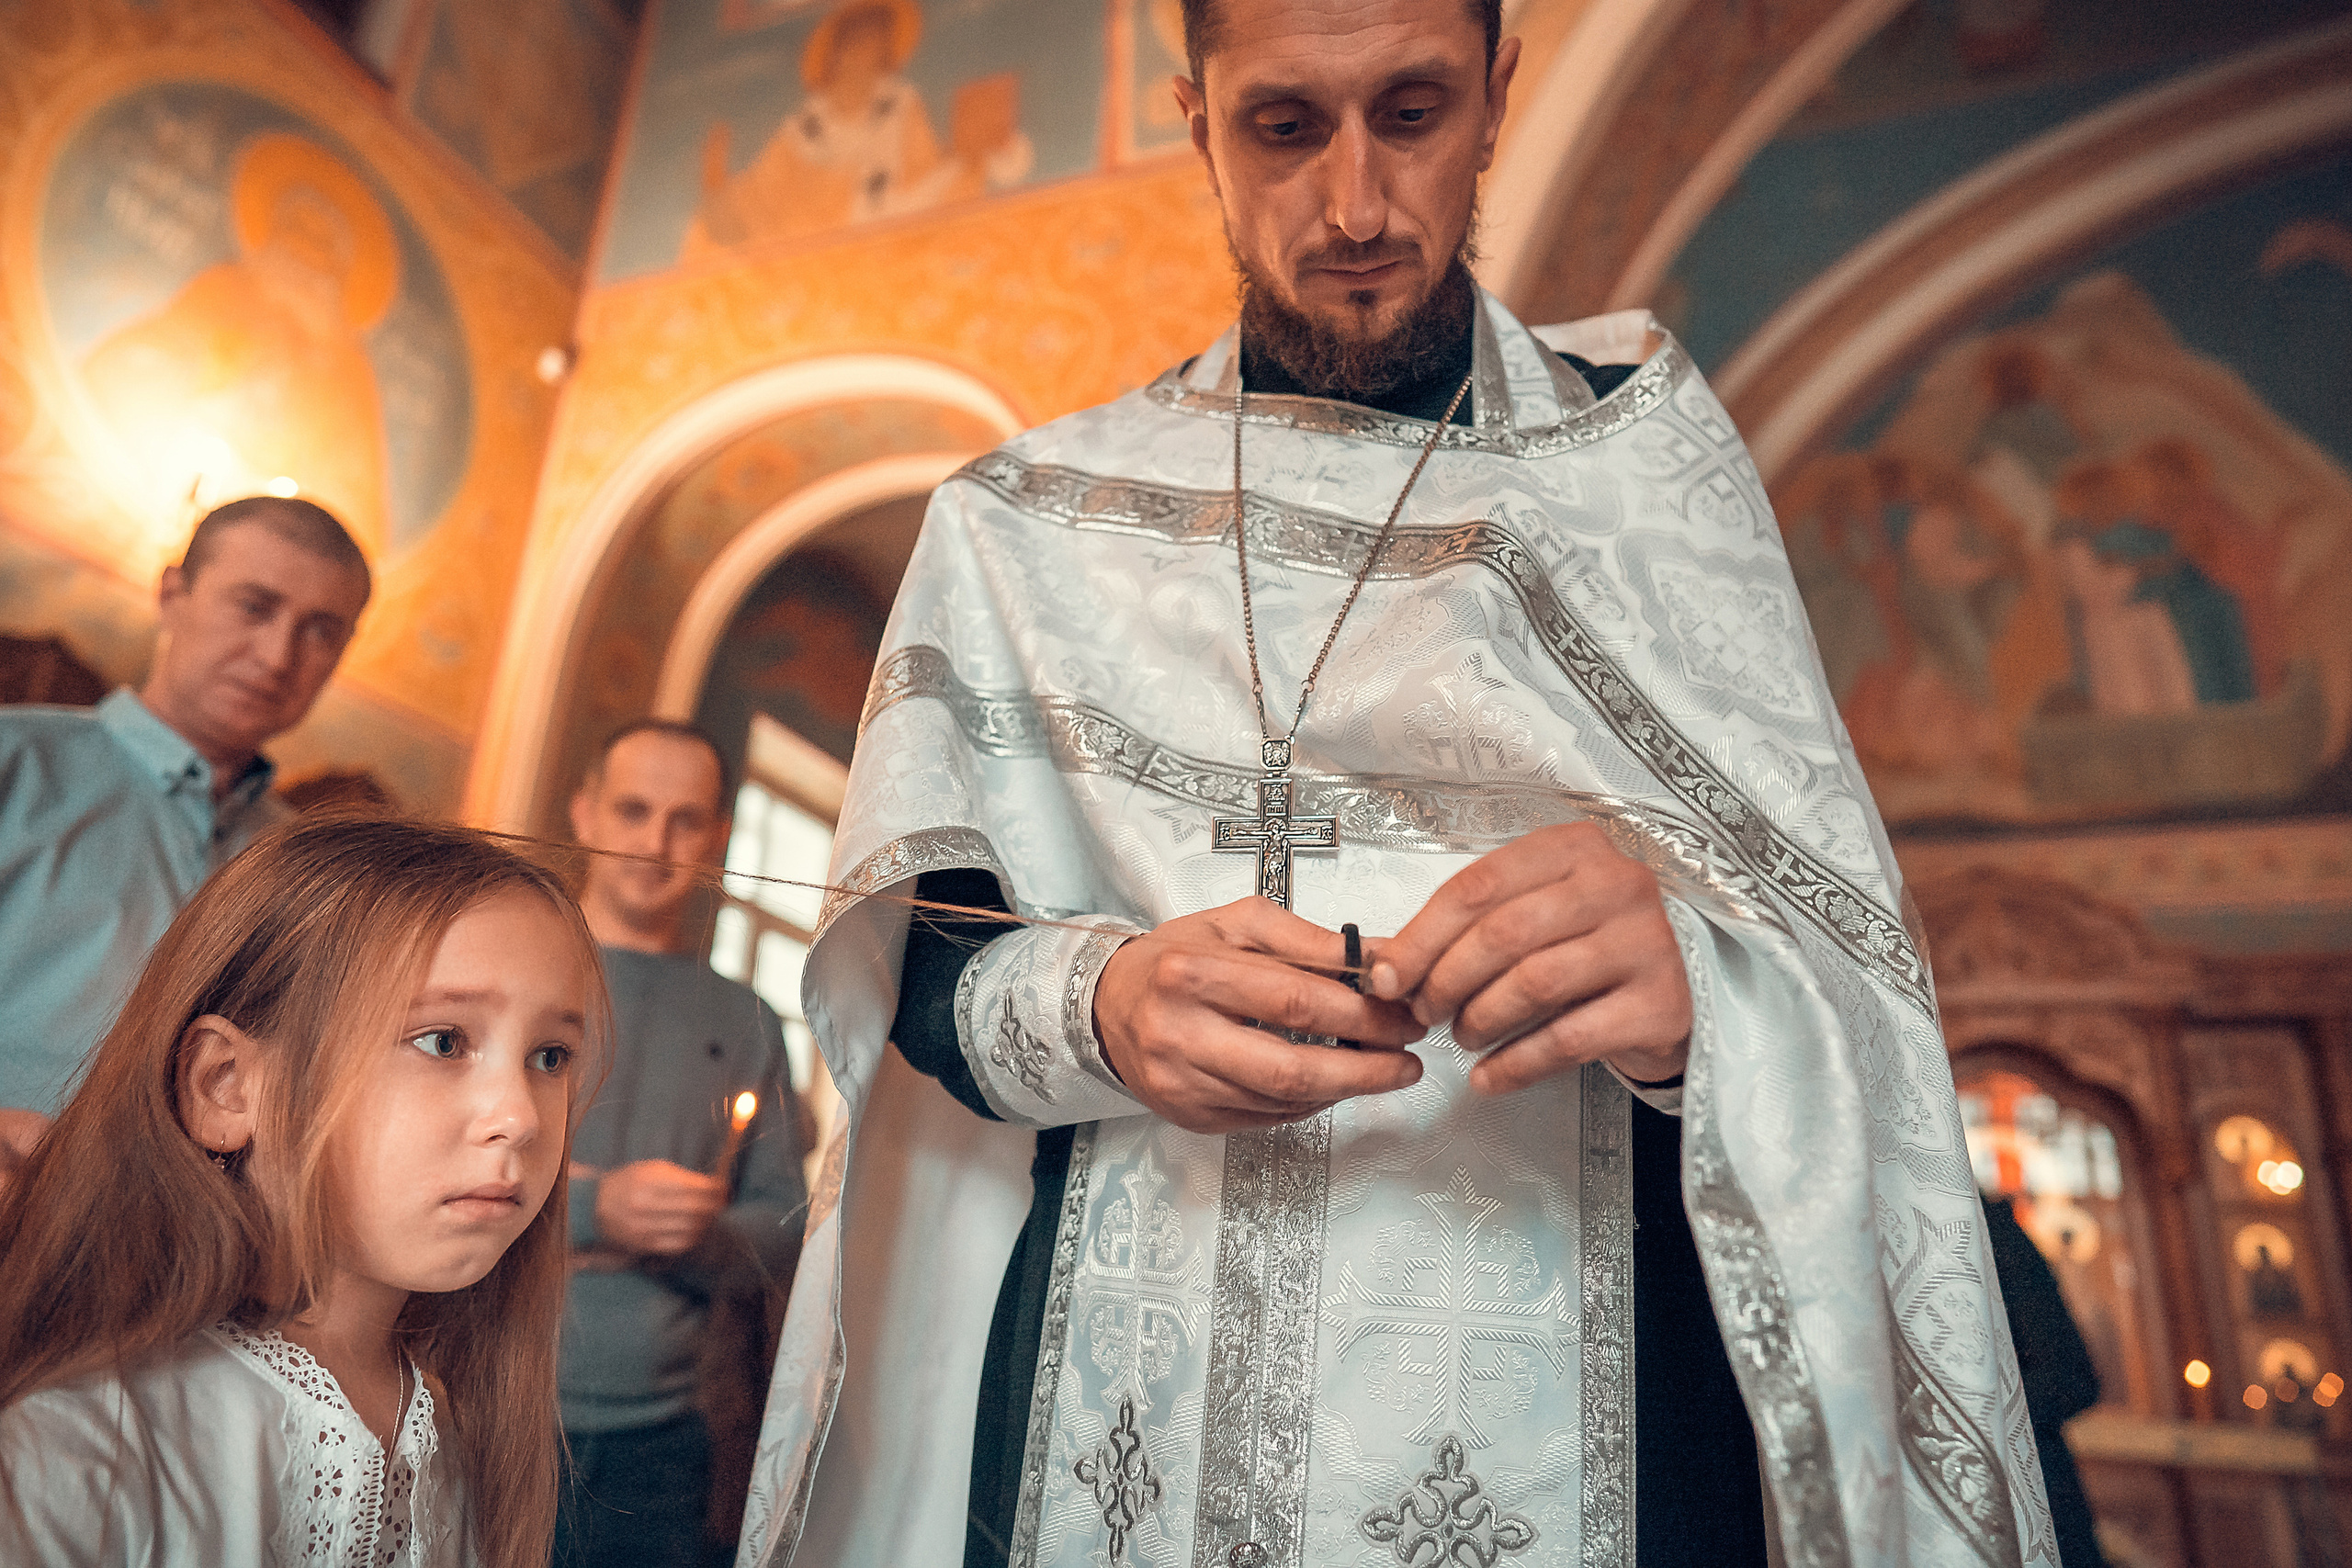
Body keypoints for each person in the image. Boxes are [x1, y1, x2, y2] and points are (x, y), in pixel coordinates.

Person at [743, 2, 2057, 1565]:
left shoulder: (1647, 486)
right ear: (1197, 120)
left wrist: (1694, 986)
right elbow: (917, 970)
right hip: (1114, 1442)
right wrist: (1103, 1004)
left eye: (1412, 113)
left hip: (1600, 1436)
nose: (1354, 205)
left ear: (1499, 96)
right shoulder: (1025, 526)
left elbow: (1852, 998)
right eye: (1285, 127)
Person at [0, 815, 605, 1565]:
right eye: (443, 1040)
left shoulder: (458, 1441)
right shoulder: (83, 1439)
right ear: (228, 1086)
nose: (519, 1116)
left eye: (551, 1055)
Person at [0, 495, 371, 1150]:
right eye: (254, 606)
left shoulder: (314, 875)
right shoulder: (15, 763)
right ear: (174, 593)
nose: (278, 655)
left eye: (319, 630)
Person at [558, 720, 808, 1568]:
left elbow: (785, 1224)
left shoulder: (746, 1020)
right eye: (632, 810)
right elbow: (412, 1171)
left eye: (684, 819)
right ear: (585, 812)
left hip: (664, 1437)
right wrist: (598, 1207)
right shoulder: (518, 969)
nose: (655, 843)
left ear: (719, 836)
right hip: (481, 1400)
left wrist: (705, 1233)